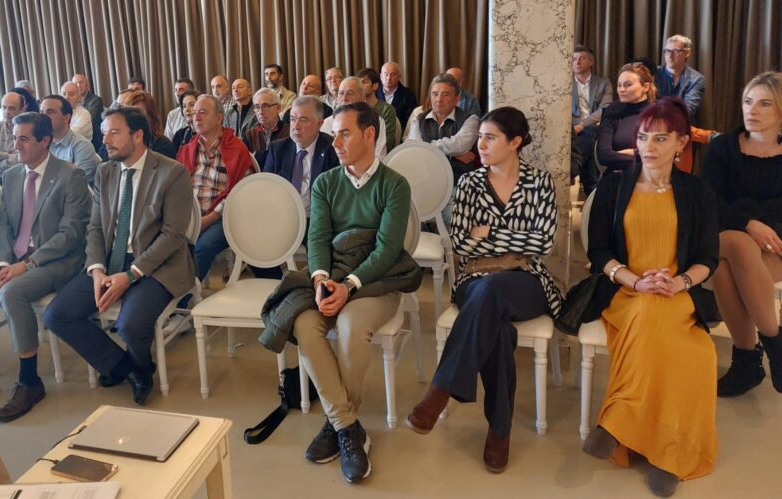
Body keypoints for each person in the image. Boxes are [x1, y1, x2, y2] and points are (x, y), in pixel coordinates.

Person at [405, 106, 561, 474]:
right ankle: (499, 429)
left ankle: (441, 391)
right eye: (480, 138)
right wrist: (514, 241)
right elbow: (461, 242)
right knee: (498, 327)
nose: (481, 145)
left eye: (490, 138)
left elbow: (543, 243)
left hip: (527, 280)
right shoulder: (469, 183)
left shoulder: (540, 182)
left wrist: (488, 234)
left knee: (493, 294)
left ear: (515, 142)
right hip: (474, 280)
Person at [578, 97, 720, 497]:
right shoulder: (614, 185)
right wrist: (635, 281)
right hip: (626, 291)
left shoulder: (697, 192)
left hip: (677, 294)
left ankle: (622, 426)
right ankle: (664, 452)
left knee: (696, 355)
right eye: (642, 137)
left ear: (681, 143)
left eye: (660, 138)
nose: (648, 146)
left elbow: (709, 258)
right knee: (648, 317)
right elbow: (598, 251)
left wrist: (680, 282)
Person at [45, 107, 195, 406]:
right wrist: (97, 270)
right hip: (111, 260)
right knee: (57, 315)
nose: (105, 140)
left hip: (156, 265)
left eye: (114, 132)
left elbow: (172, 236)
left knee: (130, 325)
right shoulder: (106, 172)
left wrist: (130, 275)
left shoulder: (172, 172)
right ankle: (128, 368)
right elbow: (96, 227)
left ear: (138, 136)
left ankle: (140, 366)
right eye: (104, 132)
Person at [296, 101, 413, 484]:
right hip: (332, 279)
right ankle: (347, 426)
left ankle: (337, 423)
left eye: (344, 133)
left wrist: (349, 286)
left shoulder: (394, 184)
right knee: (304, 324)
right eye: (334, 134)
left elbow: (387, 250)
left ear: (369, 134)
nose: (335, 142)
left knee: (350, 326)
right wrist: (320, 281)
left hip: (377, 282)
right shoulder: (326, 183)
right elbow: (318, 238)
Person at [0, 112, 90, 422]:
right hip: (13, 261)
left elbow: (70, 235)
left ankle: (29, 381)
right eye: (14, 138)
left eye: (24, 139)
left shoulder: (70, 175)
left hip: (54, 261)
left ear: (45, 141)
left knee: (12, 293)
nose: (16, 145)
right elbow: (2, 225)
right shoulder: (13, 175)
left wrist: (27, 265)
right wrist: (4, 263)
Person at [702, 72, 782, 397]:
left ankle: (746, 362)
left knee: (725, 268)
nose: (752, 110)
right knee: (737, 242)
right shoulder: (723, 147)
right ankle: (775, 342)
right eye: (748, 101)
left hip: (775, 244)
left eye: (765, 104)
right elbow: (709, 200)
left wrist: (764, 229)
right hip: (724, 237)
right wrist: (749, 222)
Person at [176, 95, 256, 282]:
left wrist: (207, 219)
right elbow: (175, 188)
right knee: (163, 241)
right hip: (188, 215)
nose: (196, 117)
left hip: (222, 217)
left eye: (203, 112)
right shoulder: (188, 149)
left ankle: (186, 292)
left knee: (203, 246)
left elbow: (240, 194)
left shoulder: (237, 149)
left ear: (219, 118)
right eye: (194, 112)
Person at [263, 95, 339, 216]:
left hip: (317, 218)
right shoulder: (277, 150)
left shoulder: (333, 150)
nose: (296, 126)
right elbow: (266, 188)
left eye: (303, 120)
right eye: (293, 119)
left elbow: (336, 198)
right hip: (282, 216)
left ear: (319, 124)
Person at [406, 74, 481, 183]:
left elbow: (459, 146)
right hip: (425, 181)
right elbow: (414, 151)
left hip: (459, 182)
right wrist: (453, 156)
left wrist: (424, 146)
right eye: (435, 94)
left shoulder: (470, 119)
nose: (439, 99)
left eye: (445, 95)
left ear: (457, 99)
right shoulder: (418, 119)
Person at [597, 63, 657, 173]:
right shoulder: (612, 110)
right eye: (619, 85)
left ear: (645, 87)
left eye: (628, 85)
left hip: (651, 176)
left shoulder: (658, 113)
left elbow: (664, 155)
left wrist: (631, 153)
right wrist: (640, 155)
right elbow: (604, 156)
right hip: (617, 175)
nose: (621, 89)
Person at [572, 46, 614, 194]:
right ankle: (591, 188)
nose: (577, 62)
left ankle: (574, 168)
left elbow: (604, 109)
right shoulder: (564, 83)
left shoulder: (603, 83)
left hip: (593, 126)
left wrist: (582, 125)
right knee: (589, 136)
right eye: (574, 59)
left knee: (590, 131)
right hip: (572, 127)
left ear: (591, 62)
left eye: (581, 58)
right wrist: (576, 126)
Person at [320, 77, 387, 160]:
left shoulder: (376, 121)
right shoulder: (326, 124)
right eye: (341, 93)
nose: (344, 98)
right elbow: (324, 158)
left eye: (350, 93)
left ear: (362, 97)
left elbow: (378, 156)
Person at [40, 95, 101, 182]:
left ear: (66, 118)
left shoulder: (82, 147)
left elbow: (77, 185)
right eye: (41, 112)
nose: (43, 117)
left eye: (50, 112)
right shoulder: (40, 144)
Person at [655, 35, 706, 121]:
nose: (670, 56)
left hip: (681, 124)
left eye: (676, 51)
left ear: (687, 53)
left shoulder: (697, 79)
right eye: (667, 51)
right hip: (655, 122)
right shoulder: (653, 73)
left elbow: (688, 109)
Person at [122, 90, 176, 158]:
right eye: (130, 113)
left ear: (150, 116)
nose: (132, 117)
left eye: (138, 113)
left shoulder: (163, 145)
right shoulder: (123, 143)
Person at [356, 68, 400, 151]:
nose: (360, 86)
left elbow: (388, 142)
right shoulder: (354, 109)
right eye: (358, 83)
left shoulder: (387, 110)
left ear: (375, 86)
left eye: (364, 82)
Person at [244, 88, 289, 167]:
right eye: (257, 107)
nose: (261, 112)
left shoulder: (289, 132)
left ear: (278, 108)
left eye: (266, 106)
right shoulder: (250, 135)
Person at [377, 62, 418, 129]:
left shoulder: (408, 95)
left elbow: (410, 121)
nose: (388, 78)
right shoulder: (374, 93)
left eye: (392, 74)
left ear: (399, 77)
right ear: (381, 76)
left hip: (400, 132)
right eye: (386, 74)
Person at [73, 73, 105, 150]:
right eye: (76, 83)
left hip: (93, 139)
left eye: (81, 82)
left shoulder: (96, 100)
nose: (79, 85)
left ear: (87, 85)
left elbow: (89, 118)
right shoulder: (71, 103)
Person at [171, 90, 200, 155]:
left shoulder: (207, 134)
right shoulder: (179, 135)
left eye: (191, 105)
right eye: (184, 106)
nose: (187, 109)